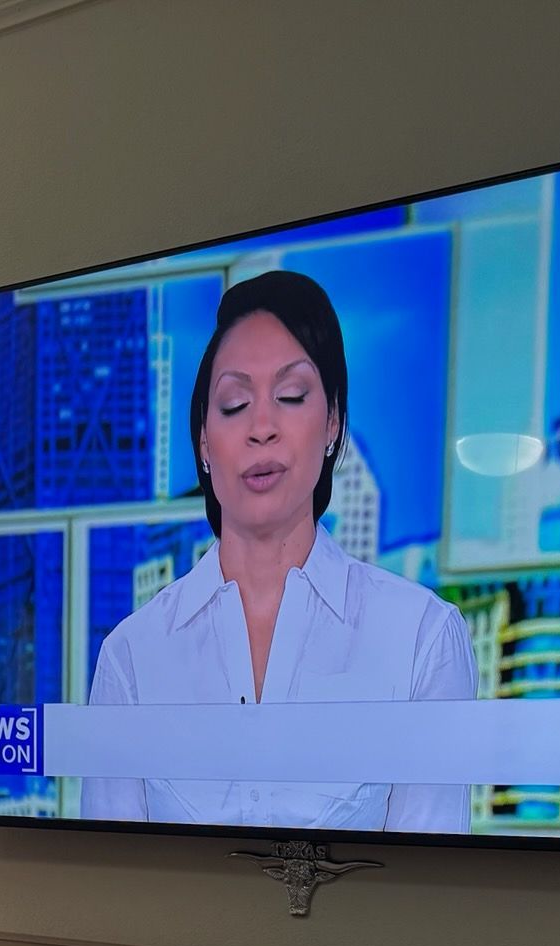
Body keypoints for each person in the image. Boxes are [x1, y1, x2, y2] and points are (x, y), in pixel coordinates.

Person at [82, 269, 476, 833]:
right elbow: (108, 887)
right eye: (235, 404)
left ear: (333, 422)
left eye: (291, 396)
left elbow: (433, 899)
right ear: (203, 443)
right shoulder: (131, 657)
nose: (261, 427)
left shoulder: (421, 638)